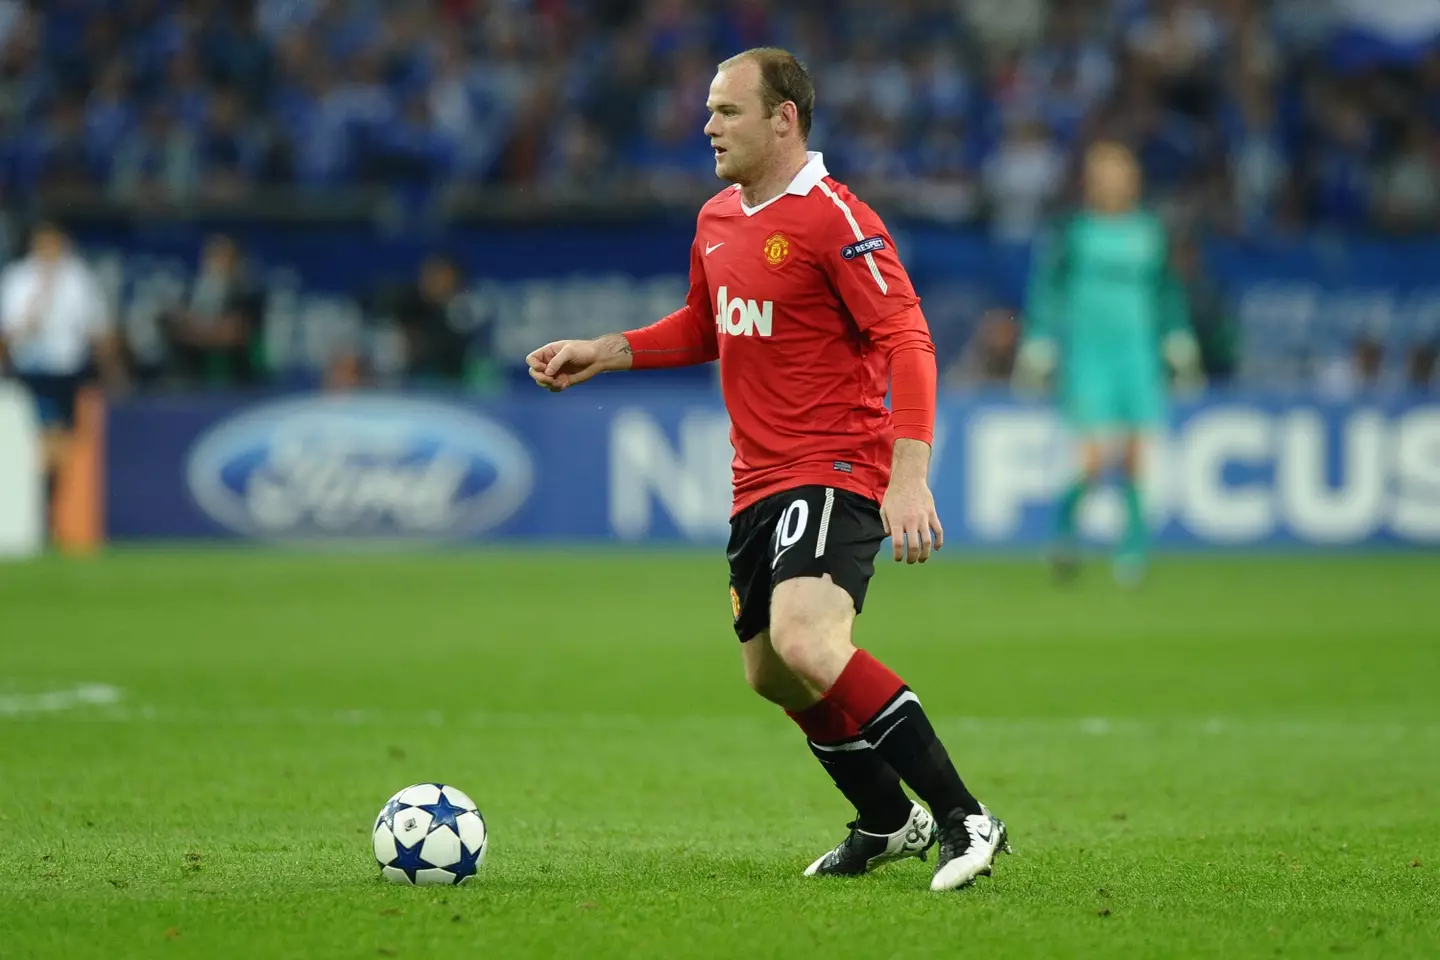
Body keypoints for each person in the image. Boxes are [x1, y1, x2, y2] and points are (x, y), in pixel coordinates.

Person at [525, 48, 1009, 892]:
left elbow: (909, 340)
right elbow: (707, 326)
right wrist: (604, 351)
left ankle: (968, 817)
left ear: (784, 118)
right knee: (771, 672)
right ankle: (889, 822)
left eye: (727, 111)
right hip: (757, 481)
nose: (707, 125)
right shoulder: (717, 218)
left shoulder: (834, 217)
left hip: (833, 463)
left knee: (806, 639)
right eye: (709, 111)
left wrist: (907, 471)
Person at [1014, 141, 1203, 586]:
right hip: (1089, 355)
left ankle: (1132, 552)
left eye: (1119, 173)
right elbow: (1049, 288)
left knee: (1137, 455)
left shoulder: (1150, 231)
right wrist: (1040, 338)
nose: (1111, 182)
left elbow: (1166, 291)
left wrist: (1178, 337)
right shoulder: (1073, 231)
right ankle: (1064, 537)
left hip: (1137, 355)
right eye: (1103, 174)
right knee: (1093, 458)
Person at [0, 220, 127, 517]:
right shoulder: (18, 279)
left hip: (68, 370)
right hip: (31, 368)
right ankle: (41, 506)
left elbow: (98, 328)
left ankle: (50, 502)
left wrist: (114, 371)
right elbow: (8, 331)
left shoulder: (78, 280)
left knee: (62, 443)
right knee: (44, 437)